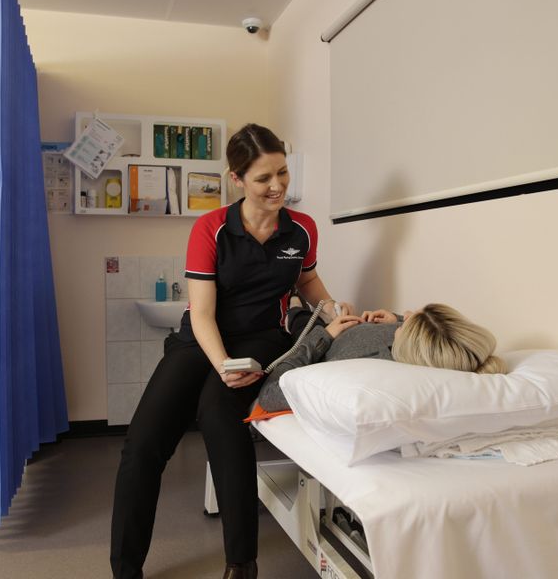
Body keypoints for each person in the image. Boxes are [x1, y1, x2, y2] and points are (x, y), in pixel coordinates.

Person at [110, 124, 351, 579]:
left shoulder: (302, 230)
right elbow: (201, 314)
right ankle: (125, 569)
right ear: (236, 178)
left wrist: (333, 310)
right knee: (142, 447)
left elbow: (307, 282)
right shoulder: (212, 228)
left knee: (222, 420)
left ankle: (241, 564)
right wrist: (221, 365)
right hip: (200, 338)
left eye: (282, 173)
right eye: (264, 178)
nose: (277, 186)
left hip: (261, 338)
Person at [257, 302, 506, 413]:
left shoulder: (350, 373)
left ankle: (294, 308)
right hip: (349, 326)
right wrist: (395, 320)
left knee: (301, 321)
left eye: (408, 320)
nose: (405, 313)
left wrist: (325, 335)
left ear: (412, 345)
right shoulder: (431, 350)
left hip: (321, 338)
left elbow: (270, 395)